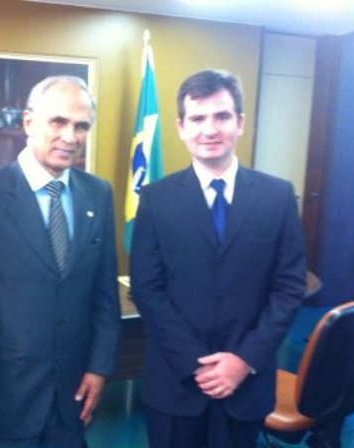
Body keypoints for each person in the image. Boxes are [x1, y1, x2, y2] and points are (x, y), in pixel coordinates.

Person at [130, 69, 306, 448]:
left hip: (247, 385)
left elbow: (289, 288)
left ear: (240, 122)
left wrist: (243, 360)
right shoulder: (156, 199)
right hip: (176, 383)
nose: (209, 129)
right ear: (181, 127)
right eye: (197, 118)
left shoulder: (277, 197)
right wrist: (196, 363)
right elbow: (146, 288)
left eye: (222, 116)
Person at [0, 75, 121, 448]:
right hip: (2, 396)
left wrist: (99, 367)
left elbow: (104, 291)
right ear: (28, 122)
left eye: (81, 126)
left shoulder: (98, 193)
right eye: (58, 122)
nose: (70, 137)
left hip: (72, 396)